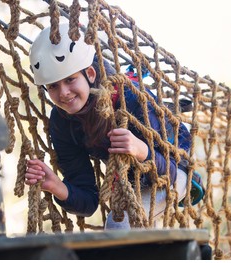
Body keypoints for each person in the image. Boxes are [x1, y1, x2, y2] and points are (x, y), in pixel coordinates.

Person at [25, 23, 203, 228]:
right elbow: (89, 201)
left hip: (173, 172)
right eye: (53, 86)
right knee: (133, 232)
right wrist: (58, 187)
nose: (63, 92)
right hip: (130, 185)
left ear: (90, 74)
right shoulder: (62, 122)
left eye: (70, 80)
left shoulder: (132, 100)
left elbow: (173, 168)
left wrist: (141, 150)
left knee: (119, 225)